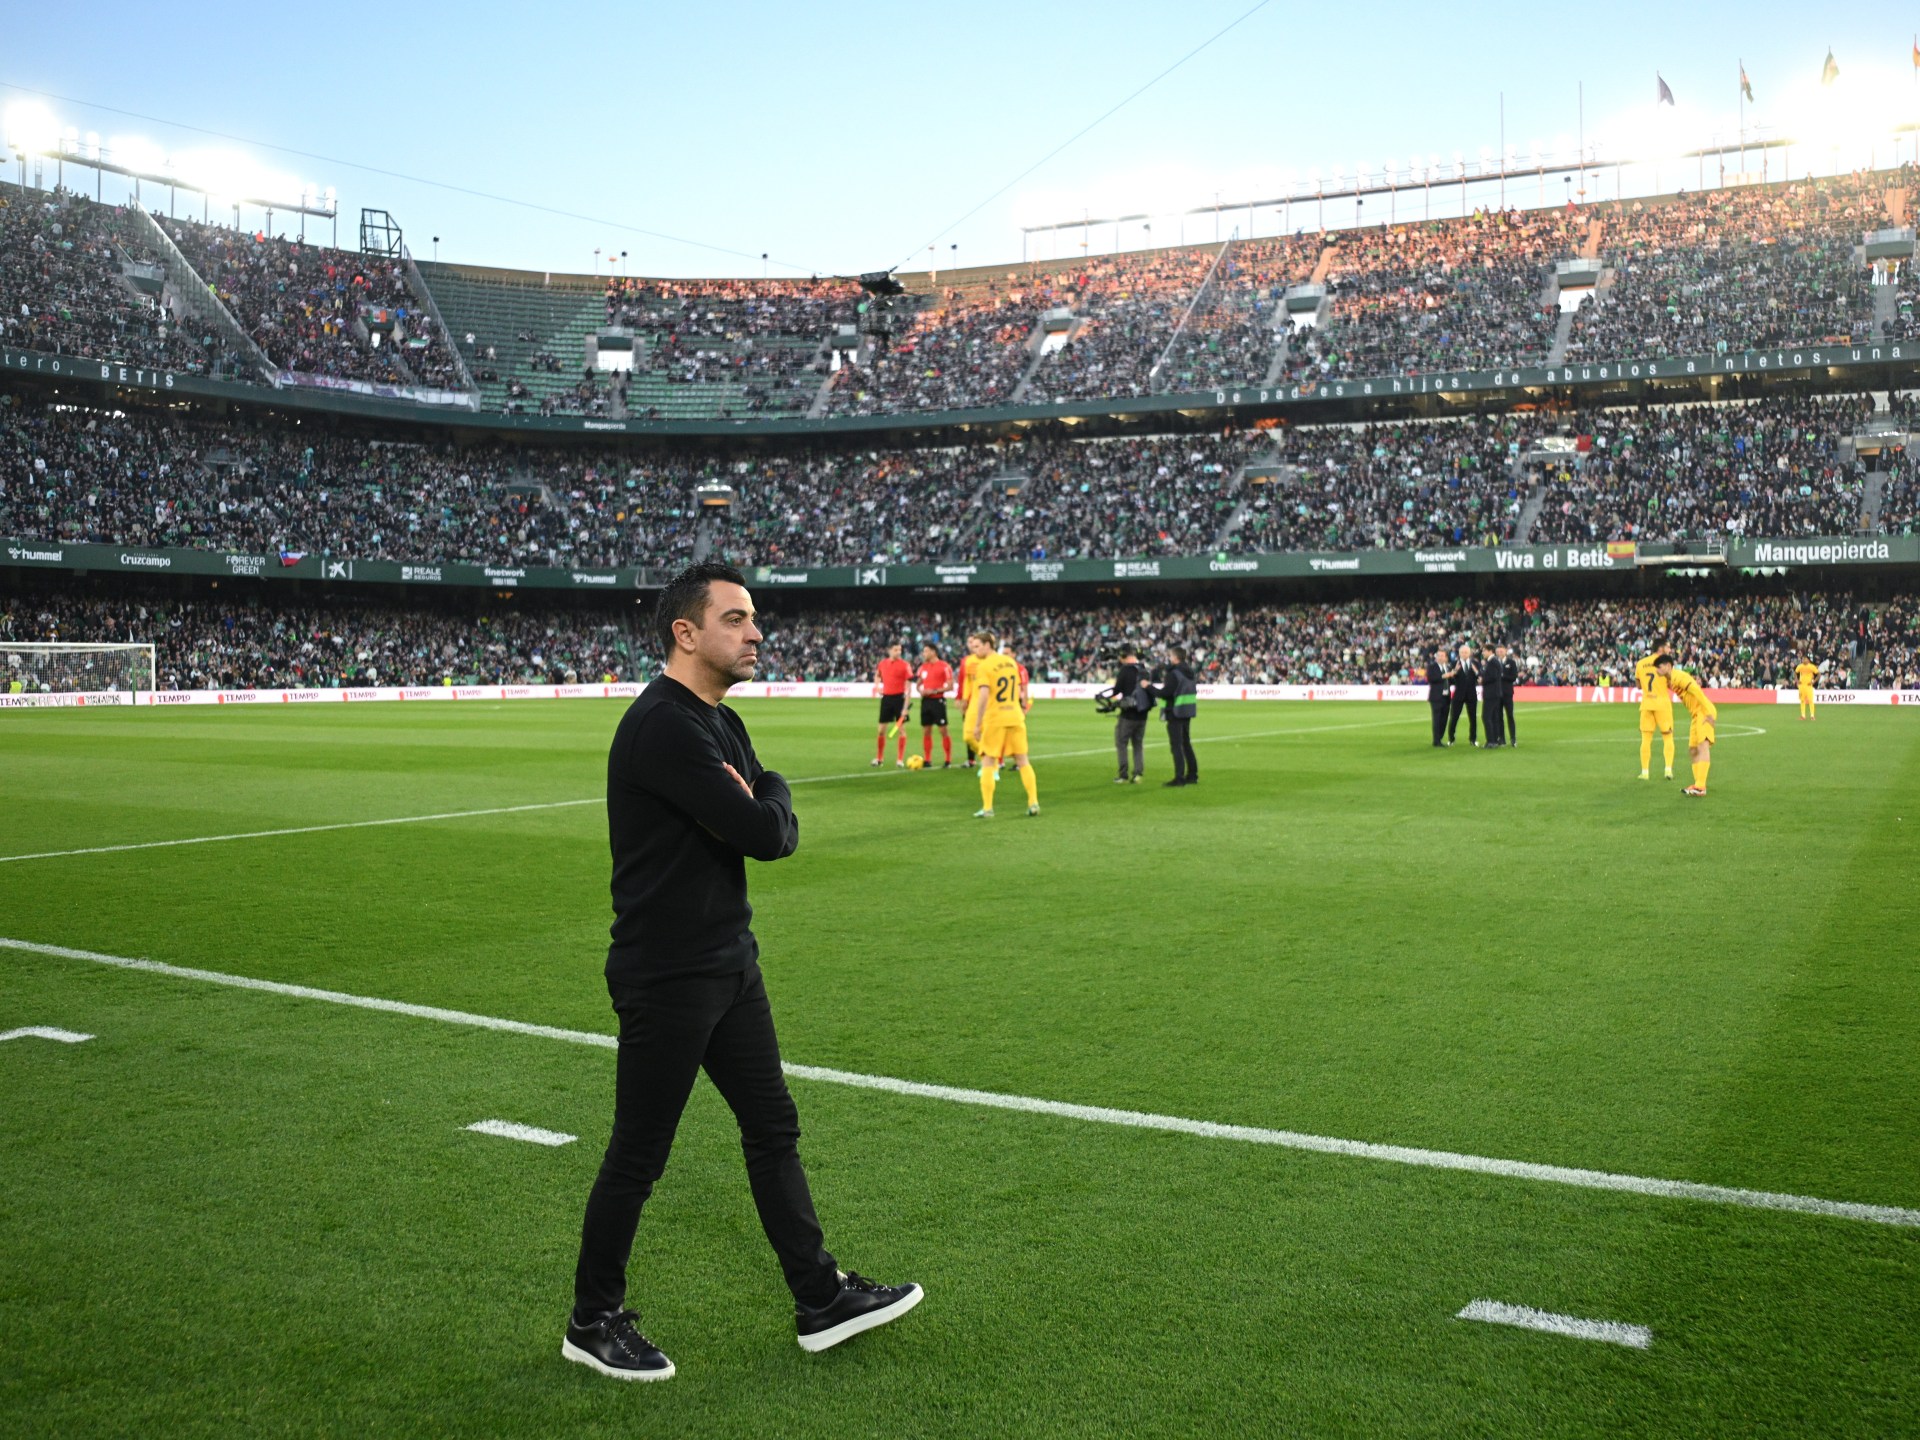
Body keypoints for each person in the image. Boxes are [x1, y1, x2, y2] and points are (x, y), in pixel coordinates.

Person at [566, 562, 923, 1382]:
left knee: (773, 1128)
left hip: (729, 961)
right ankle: (591, 1321)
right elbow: (766, 832)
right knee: (639, 1155)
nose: (756, 632)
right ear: (685, 633)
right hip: (669, 973)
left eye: (753, 617)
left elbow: (766, 814)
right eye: (736, 619)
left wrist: (769, 792)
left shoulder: (719, 719)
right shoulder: (665, 726)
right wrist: (772, 793)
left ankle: (819, 1298)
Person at [965, 631, 1038, 817]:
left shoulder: (984, 666)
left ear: (987, 645)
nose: (975, 650)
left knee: (988, 761)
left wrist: (977, 724)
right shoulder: (1011, 663)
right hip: (1015, 716)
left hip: (995, 718)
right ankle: (1033, 803)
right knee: (1023, 760)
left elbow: (983, 696)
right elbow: (1019, 690)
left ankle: (987, 808)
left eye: (978, 646)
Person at [1143, 646, 1199, 786]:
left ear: (1175, 658)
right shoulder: (1189, 672)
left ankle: (1179, 777)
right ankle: (1192, 774)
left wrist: (1148, 686)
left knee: (1176, 745)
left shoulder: (1174, 673)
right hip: (1186, 710)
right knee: (1186, 743)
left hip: (1175, 711)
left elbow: (1165, 693)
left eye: (1170, 656)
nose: (1169, 658)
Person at [1669, 663, 1718, 796]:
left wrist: (1708, 712)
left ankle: (1700, 786)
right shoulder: (1668, 679)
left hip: (1704, 712)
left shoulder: (1678, 677)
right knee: (1693, 750)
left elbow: (1696, 690)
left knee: (1703, 746)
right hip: (1696, 714)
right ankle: (1697, 784)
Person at [1634, 649, 1677, 780]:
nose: (1669, 649)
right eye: (1667, 647)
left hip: (1647, 704)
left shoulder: (1641, 663)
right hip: (1662, 704)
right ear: (1661, 648)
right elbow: (1671, 683)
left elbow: (1638, 686)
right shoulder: (1664, 664)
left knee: (1646, 739)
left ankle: (1645, 772)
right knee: (1667, 737)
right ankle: (1668, 770)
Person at [1112, 648, 1151, 783]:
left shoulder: (1125, 670)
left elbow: (1117, 689)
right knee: (1138, 744)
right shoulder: (1144, 670)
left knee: (1121, 742)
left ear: (1124, 657)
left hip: (1128, 714)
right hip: (1143, 714)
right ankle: (1138, 773)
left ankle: (1123, 774)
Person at [915, 643, 955, 767]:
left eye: (926, 651)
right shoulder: (923, 667)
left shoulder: (944, 666)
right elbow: (918, 684)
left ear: (933, 652)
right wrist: (921, 691)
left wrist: (933, 691)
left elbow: (950, 686)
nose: (924, 654)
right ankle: (927, 760)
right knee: (926, 731)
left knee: (943, 730)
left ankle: (947, 760)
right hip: (926, 702)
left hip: (938, 701)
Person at [873, 642, 911, 767]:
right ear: (889, 650)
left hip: (899, 699)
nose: (898, 652)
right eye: (895, 650)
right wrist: (877, 686)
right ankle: (879, 758)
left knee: (901, 730)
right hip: (886, 699)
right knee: (881, 730)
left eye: (900, 650)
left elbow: (909, 687)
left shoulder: (905, 665)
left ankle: (900, 759)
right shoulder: (883, 663)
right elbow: (877, 675)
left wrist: (905, 707)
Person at [955, 638, 984, 768]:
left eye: (974, 642)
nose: (972, 645)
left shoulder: (988, 660)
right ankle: (971, 759)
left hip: (985, 701)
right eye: (970, 642)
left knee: (986, 730)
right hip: (970, 702)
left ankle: (995, 760)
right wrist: (961, 698)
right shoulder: (966, 661)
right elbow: (962, 680)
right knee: (969, 732)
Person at [1445, 643, 1480, 748]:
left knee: (1473, 718)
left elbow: (1480, 676)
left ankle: (1473, 739)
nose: (1464, 654)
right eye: (1462, 652)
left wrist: (1476, 671)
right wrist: (1455, 671)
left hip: (1471, 695)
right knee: (1454, 717)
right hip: (1458, 695)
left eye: (1466, 652)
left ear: (1470, 653)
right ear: (1459, 653)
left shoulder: (1475, 663)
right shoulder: (1453, 663)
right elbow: (1449, 678)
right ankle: (1451, 739)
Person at [1492, 642, 1519, 746]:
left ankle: (1513, 738)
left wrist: (1502, 675)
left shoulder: (1511, 662)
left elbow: (1514, 677)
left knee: (1510, 716)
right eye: (1498, 651)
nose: (1499, 653)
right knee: (1498, 717)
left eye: (1501, 651)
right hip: (1497, 693)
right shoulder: (1494, 662)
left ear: (1505, 651)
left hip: (1507, 693)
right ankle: (1501, 738)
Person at [1424, 643, 1450, 748]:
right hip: (1436, 697)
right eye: (1438, 656)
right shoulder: (1432, 667)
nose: (1440, 657)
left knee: (1444, 719)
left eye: (1442, 656)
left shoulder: (1447, 667)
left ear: (1446, 658)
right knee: (1437, 719)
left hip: (1446, 696)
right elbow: (1432, 679)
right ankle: (1436, 740)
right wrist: (1444, 676)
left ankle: (1440, 737)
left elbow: (1451, 680)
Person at [1482, 645, 1507, 748]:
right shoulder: (1495, 661)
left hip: (1491, 693)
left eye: (1484, 651)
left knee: (1486, 717)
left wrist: (1482, 679)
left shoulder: (1492, 662)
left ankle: (1491, 741)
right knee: (1493, 717)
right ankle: (1495, 740)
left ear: (1490, 651)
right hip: (1495, 693)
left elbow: (1492, 677)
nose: (1483, 653)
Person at [1794, 654, 1820, 720]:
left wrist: (1813, 682)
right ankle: (1803, 716)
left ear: (1808, 660)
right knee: (1802, 700)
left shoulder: (1812, 666)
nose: (1803, 660)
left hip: (1808, 686)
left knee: (1810, 700)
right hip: (1801, 686)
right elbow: (1795, 672)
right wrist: (1797, 680)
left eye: (1804, 659)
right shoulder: (1800, 666)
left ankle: (1812, 716)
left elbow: (1818, 674)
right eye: (1802, 659)